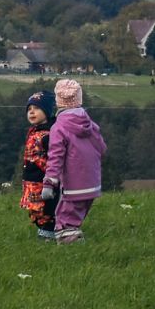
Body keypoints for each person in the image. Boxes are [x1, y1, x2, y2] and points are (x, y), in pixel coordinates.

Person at [42, 78, 106, 244]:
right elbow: (102, 147)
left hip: (73, 183)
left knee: (65, 220)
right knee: (76, 216)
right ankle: (74, 239)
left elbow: (55, 156)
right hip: (92, 182)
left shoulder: (58, 128)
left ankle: (70, 245)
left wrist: (49, 182)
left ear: (58, 102)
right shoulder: (90, 124)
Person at [17, 90, 58, 240]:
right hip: (31, 181)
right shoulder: (34, 132)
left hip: (43, 181)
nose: (32, 112)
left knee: (46, 209)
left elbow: (55, 159)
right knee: (35, 210)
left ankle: (49, 234)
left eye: (37, 108)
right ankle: (45, 231)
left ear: (47, 111)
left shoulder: (49, 135)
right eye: (29, 109)